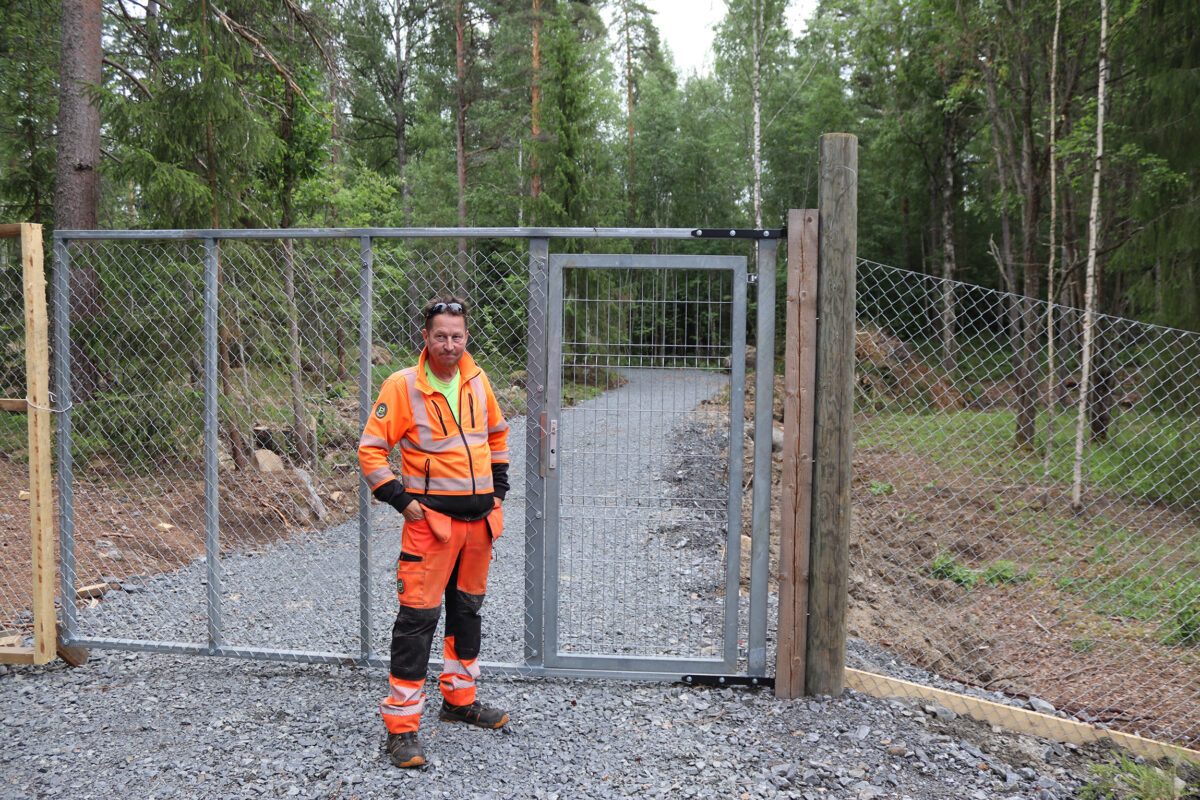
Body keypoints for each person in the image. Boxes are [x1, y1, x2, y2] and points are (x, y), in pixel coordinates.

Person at [358, 296, 510, 769]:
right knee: (416, 626)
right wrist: (404, 503)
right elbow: (370, 451)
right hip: (431, 529)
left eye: (457, 335)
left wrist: (499, 491)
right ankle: (401, 730)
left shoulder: (477, 378)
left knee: (467, 615)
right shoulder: (402, 386)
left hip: (480, 526)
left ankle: (459, 702)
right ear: (425, 337)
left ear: (467, 337)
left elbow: (498, 435)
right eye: (440, 335)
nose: (449, 344)